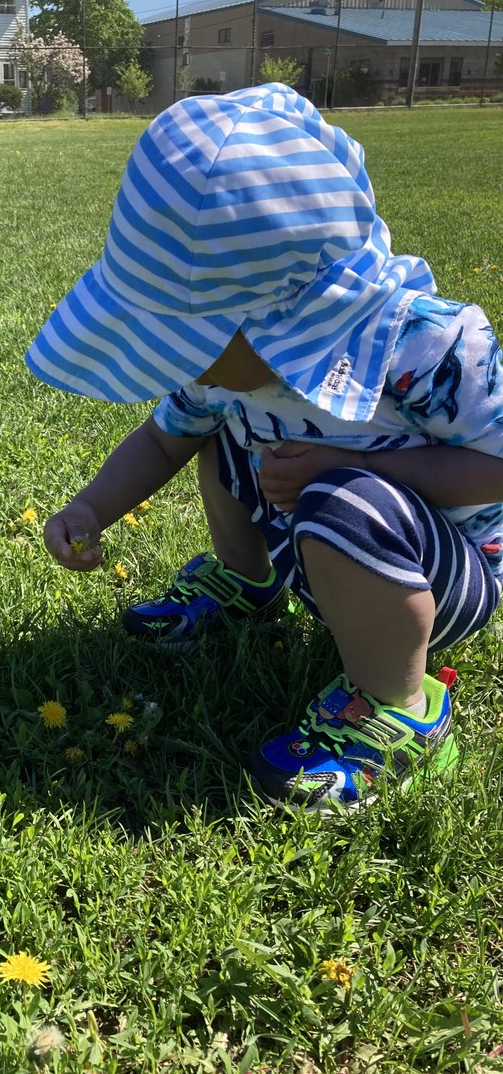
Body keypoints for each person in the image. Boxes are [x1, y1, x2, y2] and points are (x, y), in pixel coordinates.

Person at [25, 83, 503, 813]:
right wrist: (91, 506)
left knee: (345, 500)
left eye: (193, 338)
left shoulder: (421, 346)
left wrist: (360, 467)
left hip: (444, 577)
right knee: (213, 432)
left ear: (289, 316)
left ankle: (400, 709)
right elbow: (162, 439)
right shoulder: (227, 370)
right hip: (312, 539)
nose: (183, 361)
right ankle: (247, 582)